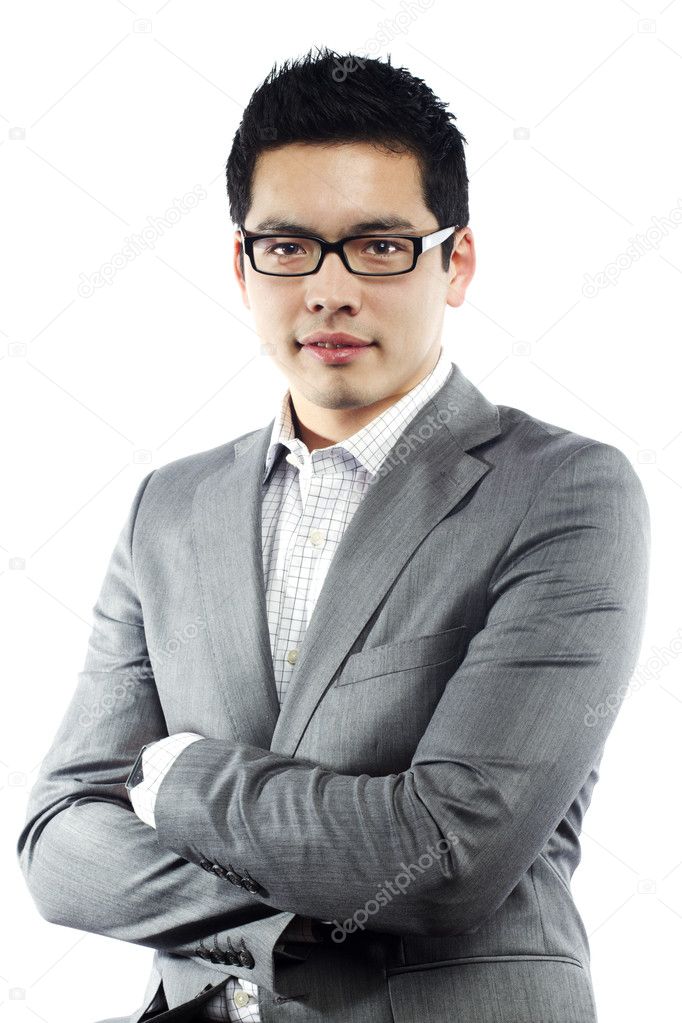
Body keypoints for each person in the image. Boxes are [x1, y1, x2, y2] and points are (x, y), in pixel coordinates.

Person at [17, 46, 650, 1023]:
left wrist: (176, 777)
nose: (328, 289)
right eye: (287, 246)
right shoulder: (169, 507)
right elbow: (59, 841)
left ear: (456, 261)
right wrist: (283, 926)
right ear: (242, 263)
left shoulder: (564, 492)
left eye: (379, 245)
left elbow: (447, 857)